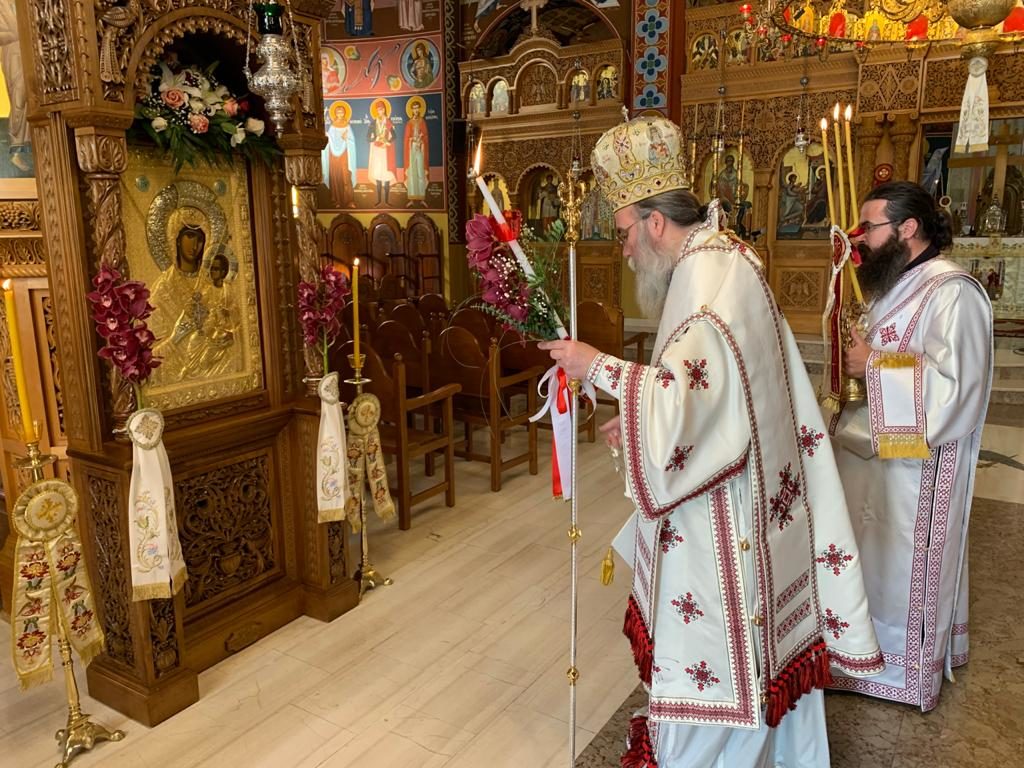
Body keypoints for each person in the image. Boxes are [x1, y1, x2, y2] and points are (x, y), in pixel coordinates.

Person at [538, 116, 882, 767]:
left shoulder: (702, 282)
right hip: (758, 497)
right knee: (765, 685)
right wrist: (639, 419)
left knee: (718, 686)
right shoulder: (728, 256)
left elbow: (692, 396)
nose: (624, 250)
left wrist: (598, 367)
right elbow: (718, 398)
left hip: (725, 522)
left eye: (624, 232)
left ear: (655, 222)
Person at [828, 181, 993, 711]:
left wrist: (872, 365)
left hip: (918, 475)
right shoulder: (892, 284)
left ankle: (904, 669)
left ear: (908, 228)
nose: (859, 239)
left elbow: (957, 391)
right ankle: (857, 655)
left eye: (868, 228)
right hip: (869, 458)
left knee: (901, 567)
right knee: (866, 558)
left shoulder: (952, 292)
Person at [324, 102, 357, 209]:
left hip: (344, 155)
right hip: (334, 156)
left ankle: (349, 201)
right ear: (335, 113)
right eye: (338, 112)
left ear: (344, 113)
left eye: (342, 112)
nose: (340, 113)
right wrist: (328, 136)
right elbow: (329, 140)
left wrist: (346, 139)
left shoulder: (347, 126)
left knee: (346, 176)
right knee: (335, 176)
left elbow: (351, 140)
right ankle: (336, 201)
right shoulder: (332, 126)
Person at [366, 100, 396, 206]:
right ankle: (379, 200)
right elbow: (367, 138)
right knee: (378, 175)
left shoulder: (388, 122)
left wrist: (387, 142)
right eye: (379, 109)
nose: (381, 111)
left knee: (386, 175)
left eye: (382, 109)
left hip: (386, 151)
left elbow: (394, 136)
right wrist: (375, 138)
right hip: (377, 152)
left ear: (385, 110)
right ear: (376, 111)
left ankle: (387, 201)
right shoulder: (373, 123)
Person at [403, 98, 429, 207]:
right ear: (412, 110)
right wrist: (412, 140)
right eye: (414, 108)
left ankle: (422, 197)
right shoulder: (409, 123)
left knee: (420, 171)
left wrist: (421, 140)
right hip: (412, 148)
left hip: (420, 148)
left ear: (419, 109)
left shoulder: (422, 122)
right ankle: (412, 198)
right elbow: (406, 138)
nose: (416, 110)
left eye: (417, 108)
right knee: (412, 172)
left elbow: (426, 136)